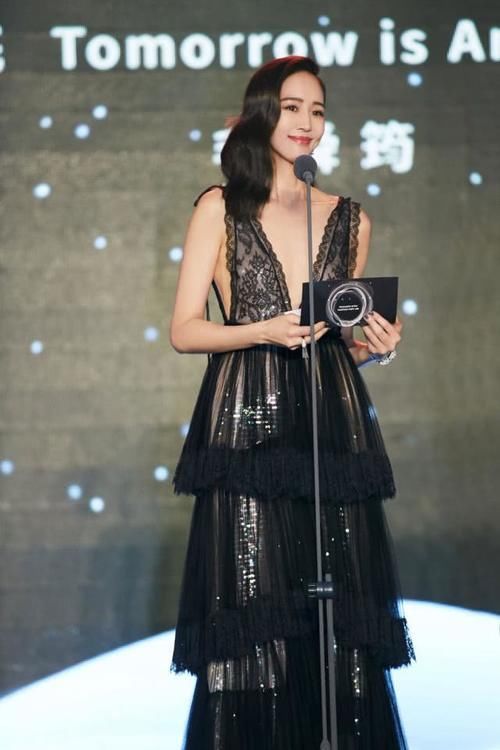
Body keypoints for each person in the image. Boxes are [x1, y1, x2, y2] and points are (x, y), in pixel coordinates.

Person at [170, 55, 415, 750]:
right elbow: (185, 330)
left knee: (337, 624)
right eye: (292, 107)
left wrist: (376, 346)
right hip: (245, 435)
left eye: (317, 110)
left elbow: (336, 344)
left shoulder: (348, 218)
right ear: (262, 113)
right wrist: (262, 330)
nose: (306, 122)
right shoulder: (220, 207)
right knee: (255, 621)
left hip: (329, 434)